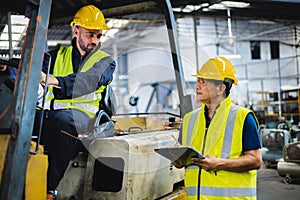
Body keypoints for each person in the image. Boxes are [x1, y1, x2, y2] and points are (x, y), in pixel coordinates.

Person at [34, 5, 116, 200]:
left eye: (98, 36)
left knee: (64, 122)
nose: (95, 41)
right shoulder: (54, 57)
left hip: (83, 121)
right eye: (90, 35)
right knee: (16, 122)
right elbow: (32, 71)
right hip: (49, 115)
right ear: (76, 30)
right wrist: (11, 67)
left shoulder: (105, 62)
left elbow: (87, 82)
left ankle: (49, 189)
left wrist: (52, 80)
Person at [179, 56, 262, 200]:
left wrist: (219, 163)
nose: (197, 86)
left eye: (204, 82)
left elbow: (255, 160)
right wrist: (177, 159)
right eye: (198, 81)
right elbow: (182, 157)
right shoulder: (189, 119)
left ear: (221, 88)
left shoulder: (243, 117)